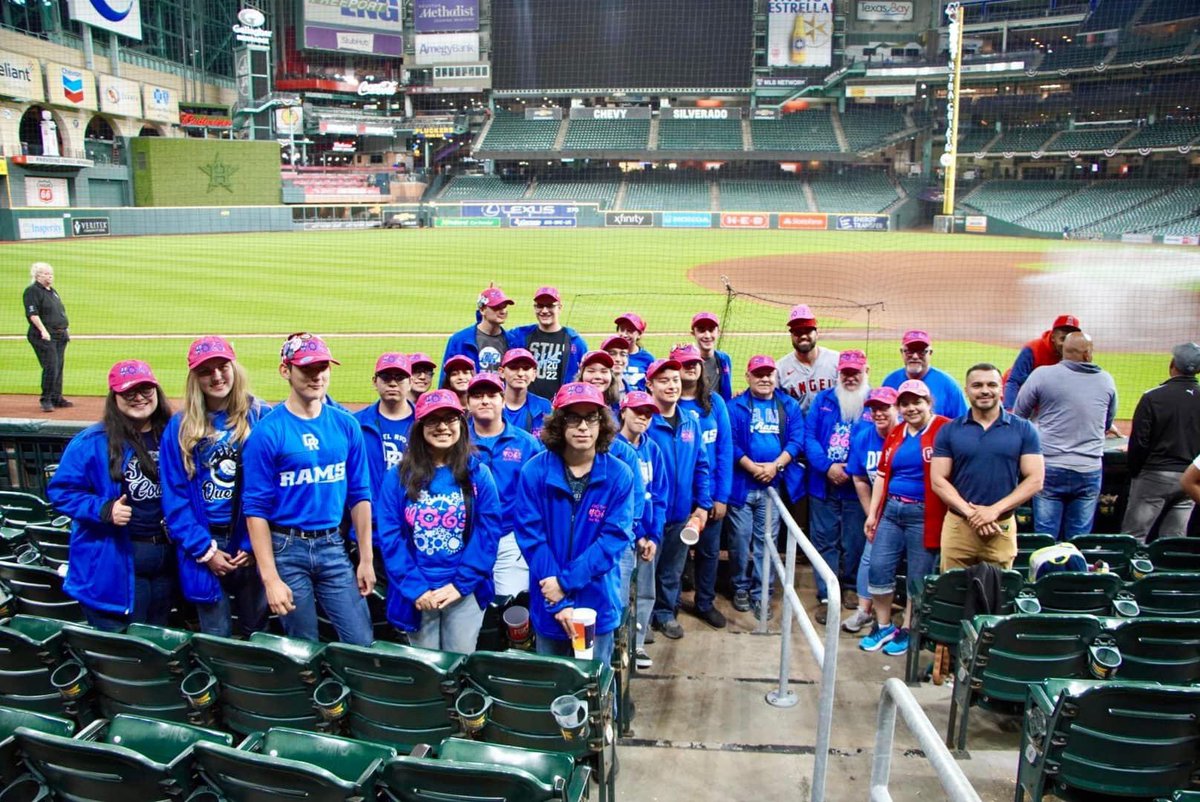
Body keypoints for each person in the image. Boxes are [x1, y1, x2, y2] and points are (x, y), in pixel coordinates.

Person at [241, 333, 375, 645]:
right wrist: (270, 579)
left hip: (333, 546)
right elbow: (255, 511)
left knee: (361, 640)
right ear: (285, 370)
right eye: (307, 368)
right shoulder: (268, 432)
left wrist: (365, 559)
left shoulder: (346, 425)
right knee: (302, 646)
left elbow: (360, 494)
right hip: (286, 548)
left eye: (322, 367)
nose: (317, 376)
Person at [47, 360, 175, 630]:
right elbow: (61, 491)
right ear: (114, 397)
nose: (139, 397)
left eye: (145, 389)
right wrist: (103, 509)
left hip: (167, 559)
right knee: (129, 647)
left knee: (159, 638)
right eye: (129, 392)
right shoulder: (91, 442)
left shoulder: (173, 435)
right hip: (116, 561)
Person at [515, 382, 635, 664]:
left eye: (591, 417)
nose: (583, 427)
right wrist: (558, 599)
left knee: (596, 689)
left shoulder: (619, 475)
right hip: (549, 601)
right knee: (555, 687)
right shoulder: (534, 471)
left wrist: (564, 584)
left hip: (597, 601)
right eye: (573, 417)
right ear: (559, 423)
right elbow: (532, 539)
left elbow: (612, 541)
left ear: (601, 423)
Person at [376, 388, 502, 653]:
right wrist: (416, 588)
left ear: (461, 423)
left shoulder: (479, 473)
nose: (443, 427)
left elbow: (488, 533)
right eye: (433, 420)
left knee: (459, 662)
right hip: (419, 592)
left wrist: (460, 584)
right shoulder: (397, 477)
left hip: (463, 590)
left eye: (450, 419)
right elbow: (390, 537)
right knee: (427, 668)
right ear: (419, 427)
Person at [160, 337, 270, 638]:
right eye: (206, 371)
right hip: (203, 541)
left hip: (250, 537)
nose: (217, 376)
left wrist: (252, 544)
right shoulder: (180, 425)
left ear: (234, 368)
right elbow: (174, 497)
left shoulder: (261, 415)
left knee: (258, 629)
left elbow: (275, 487)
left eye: (223, 367)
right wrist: (204, 551)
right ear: (195, 378)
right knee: (214, 633)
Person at [860, 380, 951, 656]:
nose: (911, 408)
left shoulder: (943, 429)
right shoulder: (897, 432)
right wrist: (873, 513)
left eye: (917, 402)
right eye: (905, 403)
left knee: (917, 576)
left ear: (928, 403)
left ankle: (911, 628)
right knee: (878, 567)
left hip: (925, 513)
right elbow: (883, 476)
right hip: (892, 510)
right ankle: (884, 624)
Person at [931, 363, 1044, 570]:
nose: (984, 390)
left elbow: (1035, 480)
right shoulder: (949, 431)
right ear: (966, 391)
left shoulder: (1024, 429)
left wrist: (994, 511)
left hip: (1001, 526)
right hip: (959, 527)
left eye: (991, 384)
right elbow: (938, 480)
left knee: (999, 595)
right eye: (977, 385)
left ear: (1001, 389)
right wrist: (973, 514)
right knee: (953, 594)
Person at [1014, 332, 1117, 540]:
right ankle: (1074, 572)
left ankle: (1045, 572)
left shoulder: (1042, 375)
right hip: (1088, 469)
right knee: (1078, 539)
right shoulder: (1106, 380)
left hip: (1050, 466)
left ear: (1063, 351)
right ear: (1088, 354)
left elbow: (1018, 417)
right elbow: (1106, 423)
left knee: (1045, 537)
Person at [726, 356, 804, 618]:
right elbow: (731, 443)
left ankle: (762, 594)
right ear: (748, 377)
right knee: (739, 540)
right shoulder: (735, 406)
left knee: (766, 543)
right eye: (758, 374)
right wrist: (753, 467)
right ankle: (739, 586)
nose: (764, 379)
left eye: (769, 374)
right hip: (742, 486)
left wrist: (775, 466)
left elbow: (796, 440)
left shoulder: (788, 405)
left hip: (773, 486)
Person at [645, 357, 712, 640]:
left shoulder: (690, 423)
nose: (671, 385)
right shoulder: (644, 422)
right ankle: (641, 620)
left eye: (674, 380)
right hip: (649, 516)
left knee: (672, 570)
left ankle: (664, 614)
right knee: (645, 571)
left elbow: (701, 465)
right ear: (649, 385)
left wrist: (703, 505)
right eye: (663, 380)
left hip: (681, 513)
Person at [804, 349, 873, 623]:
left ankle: (850, 586)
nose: (850, 377)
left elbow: (879, 440)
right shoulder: (823, 400)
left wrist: (852, 469)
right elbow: (809, 438)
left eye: (856, 372)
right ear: (838, 374)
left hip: (858, 488)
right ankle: (825, 594)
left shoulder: (874, 403)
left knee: (854, 540)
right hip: (824, 484)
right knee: (824, 540)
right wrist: (827, 466)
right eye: (846, 372)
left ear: (865, 372)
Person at [466, 373, 543, 597]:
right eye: (477, 396)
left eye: (491, 395)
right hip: (466, 539)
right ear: (468, 402)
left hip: (510, 538)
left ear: (502, 400)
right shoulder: (456, 442)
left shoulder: (526, 443)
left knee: (512, 607)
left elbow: (539, 496)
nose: (485, 401)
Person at [673, 344, 732, 629]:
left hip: (708, 496)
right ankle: (669, 604)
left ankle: (704, 603)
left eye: (695, 363)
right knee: (675, 554)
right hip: (679, 496)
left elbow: (724, 451)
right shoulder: (668, 404)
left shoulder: (715, 402)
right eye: (684, 364)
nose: (692, 367)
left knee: (709, 552)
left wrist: (720, 496)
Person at [1121, 342, 1200, 542]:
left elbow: (1139, 442)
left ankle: (1131, 573)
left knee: (1133, 538)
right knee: (1174, 542)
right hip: (1190, 479)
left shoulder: (1152, 397)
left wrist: (1135, 472)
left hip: (1153, 477)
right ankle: (1169, 573)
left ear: (1173, 364)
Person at [616, 390, 668, 670]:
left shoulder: (653, 449)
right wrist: (638, 536)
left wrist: (654, 536)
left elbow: (659, 496)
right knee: (621, 595)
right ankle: (619, 647)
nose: (643, 417)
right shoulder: (612, 448)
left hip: (647, 537)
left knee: (647, 593)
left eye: (648, 413)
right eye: (637, 411)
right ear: (623, 411)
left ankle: (636, 647)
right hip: (623, 537)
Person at [841, 387, 899, 634]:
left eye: (885, 407)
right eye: (874, 409)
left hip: (910, 512)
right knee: (869, 558)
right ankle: (864, 611)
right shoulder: (863, 438)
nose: (879, 413)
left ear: (896, 408)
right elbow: (860, 479)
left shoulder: (906, 436)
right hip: (880, 513)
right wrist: (871, 515)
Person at [354, 353, 416, 506]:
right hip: (368, 520)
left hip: (411, 519)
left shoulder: (425, 424)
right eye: (386, 377)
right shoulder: (355, 424)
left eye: (400, 378)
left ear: (410, 382)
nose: (393, 383)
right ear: (375, 382)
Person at [507, 287, 588, 399]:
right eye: (540, 305)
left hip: (560, 409)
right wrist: (487, 305)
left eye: (550, 305)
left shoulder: (575, 342)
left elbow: (585, 377)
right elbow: (493, 335)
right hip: (527, 408)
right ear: (534, 308)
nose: (544, 311)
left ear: (559, 308)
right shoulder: (520, 335)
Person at [1002, 314, 1082, 409]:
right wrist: (1010, 411)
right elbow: (1014, 382)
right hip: (1018, 394)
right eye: (1063, 339)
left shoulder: (1077, 355)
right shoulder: (1033, 349)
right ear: (1053, 337)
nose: (1066, 344)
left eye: (1070, 339)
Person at [881, 330, 966, 419]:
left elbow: (962, 422)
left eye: (921, 352)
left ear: (930, 353)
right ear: (902, 352)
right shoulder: (890, 381)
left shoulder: (948, 385)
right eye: (909, 351)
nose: (915, 356)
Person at [23, 262, 71, 412]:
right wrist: (43, 331)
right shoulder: (32, 291)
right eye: (46, 274)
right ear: (37, 275)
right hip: (44, 336)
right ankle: (46, 399)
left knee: (58, 367)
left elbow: (59, 311)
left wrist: (65, 328)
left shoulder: (52, 291)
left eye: (51, 273)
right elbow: (33, 314)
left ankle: (57, 397)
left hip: (59, 334)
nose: (49, 276)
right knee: (51, 366)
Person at [777, 303, 838, 414]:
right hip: (798, 429)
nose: (803, 336)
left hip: (831, 428)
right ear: (791, 335)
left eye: (808, 331)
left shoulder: (837, 361)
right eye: (798, 332)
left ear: (817, 333)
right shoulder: (780, 369)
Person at [442, 287, 513, 373]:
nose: (503, 311)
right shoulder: (459, 340)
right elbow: (446, 376)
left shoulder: (512, 341)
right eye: (496, 307)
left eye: (504, 307)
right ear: (482, 310)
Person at [499, 348, 552, 438]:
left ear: (534, 374)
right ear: (502, 372)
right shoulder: (491, 404)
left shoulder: (544, 406)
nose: (520, 373)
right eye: (513, 367)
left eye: (526, 368)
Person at [691, 312, 733, 401]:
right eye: (701, 330)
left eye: (711, 330)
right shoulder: (688, 362)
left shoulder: (724, 359)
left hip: (719, 412)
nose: (707, 335)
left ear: (718, 332)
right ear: (693, 333)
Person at [615, 312, 655, 391]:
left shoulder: (648, 359)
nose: (624, 334)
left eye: (630, 331)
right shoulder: (609, 355)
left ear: (639, 334)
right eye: (622, 330)